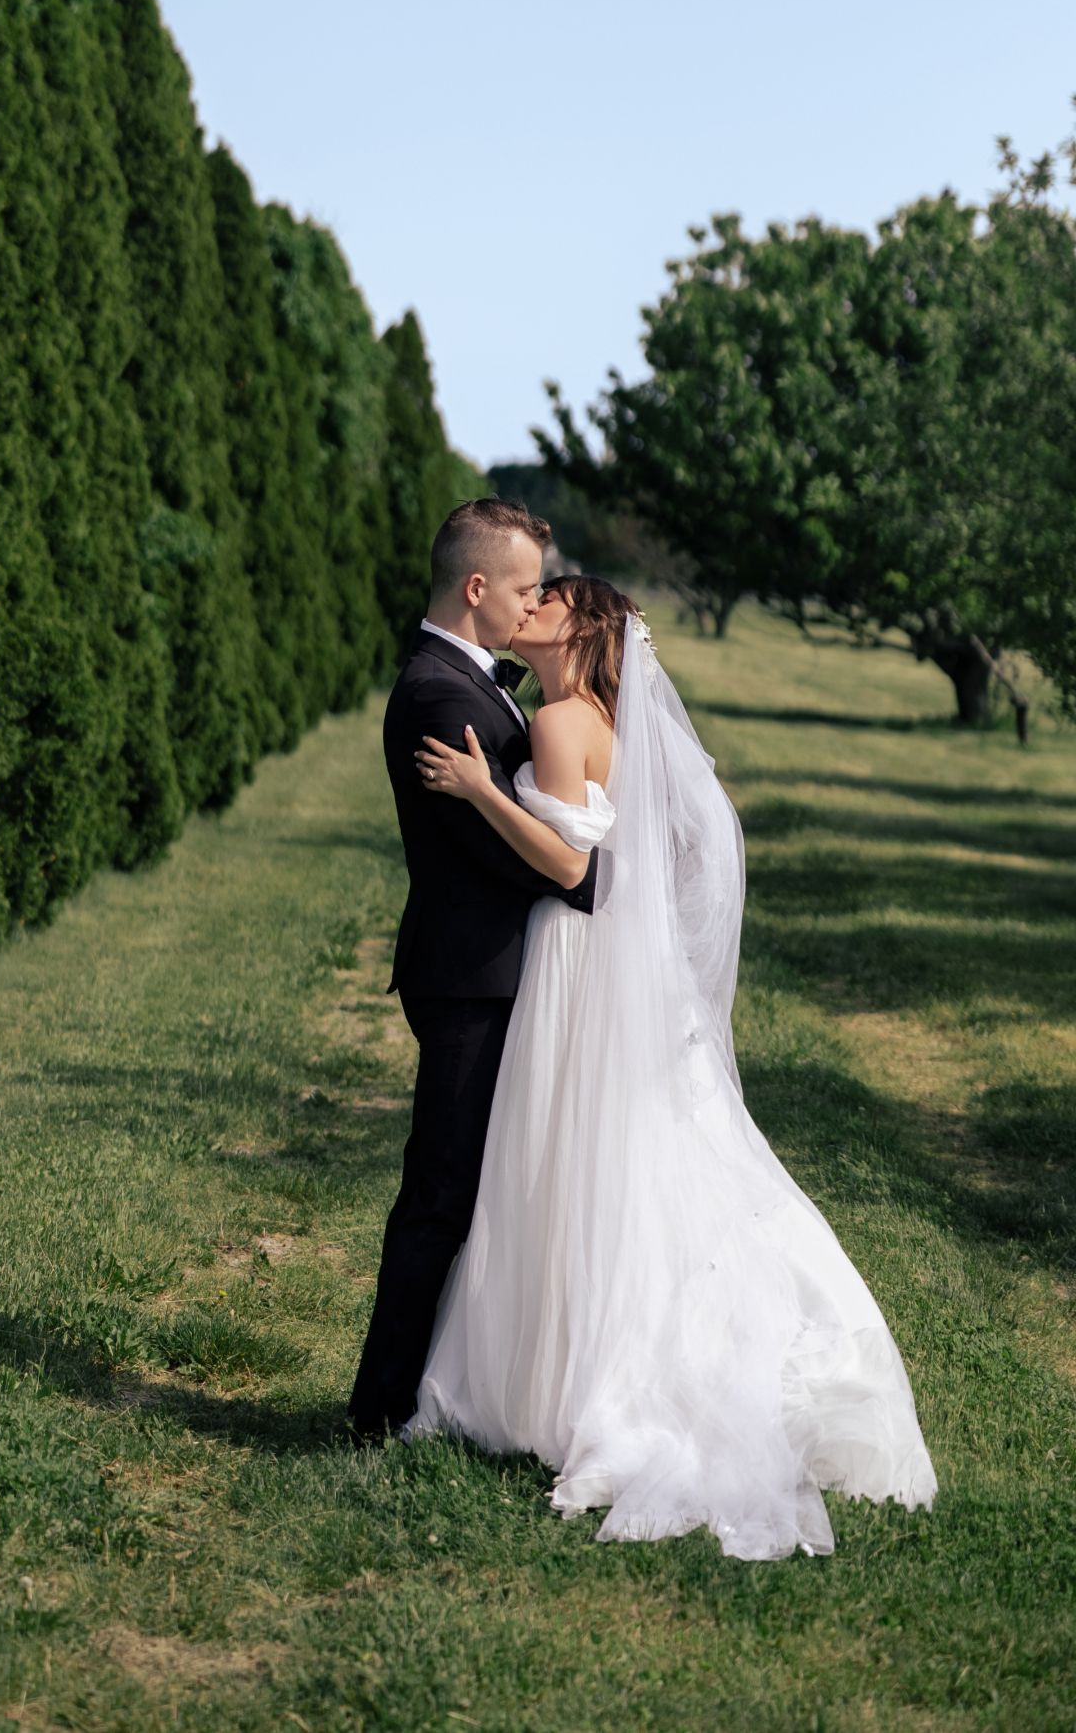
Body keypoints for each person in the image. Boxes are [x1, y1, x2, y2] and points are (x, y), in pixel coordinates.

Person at [404, 574, 939, 1556]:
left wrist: (483, 791)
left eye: (550, 598)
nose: (531, 605)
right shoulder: (606, 718)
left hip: (577, 960)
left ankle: (573, 1377)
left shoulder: (565, 717)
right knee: (641, 1160)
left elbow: (569, 869)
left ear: (586, 627)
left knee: (571, 1163)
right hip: (624, 965)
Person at [346, 498, 599, 1442]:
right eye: (527, 586)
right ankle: (379, 1411)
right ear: (477, 587)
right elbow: (510, 854)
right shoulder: (438, 695)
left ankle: (458, 1390)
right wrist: (588, 873)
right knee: (441, 1195)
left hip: (495, 975)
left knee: (485, 1192)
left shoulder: (484, 687)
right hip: (469, 981)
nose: (536, 602)